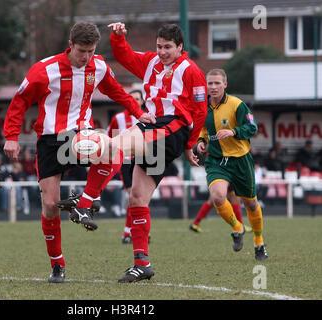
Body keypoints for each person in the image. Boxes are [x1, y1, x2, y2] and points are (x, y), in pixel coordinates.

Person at [3, 21, 155, 284]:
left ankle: (85, 203)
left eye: (91, 51)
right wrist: (11, 137)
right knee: (50, 207)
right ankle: (57, 265)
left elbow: (116, 91)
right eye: (82, 51)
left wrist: (138, 111)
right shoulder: (44, 70)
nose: (86, 57)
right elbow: (20, 101)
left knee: (111, 149)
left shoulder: (98, 66)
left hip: (80, 133)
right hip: (50, 140)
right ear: (70, 45)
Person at [58, 22, 208, 283]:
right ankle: (142, 263)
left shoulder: (191, 70)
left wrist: (189, 144)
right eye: (159, 46)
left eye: (168, 47)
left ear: (180, 47)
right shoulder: (150, 62)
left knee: (114, 146)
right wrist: (118, 37)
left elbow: (200, 110)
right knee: (137, 198)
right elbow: (124, 56)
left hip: (171, 129)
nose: (162, 52)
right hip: (153, 127)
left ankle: (85, 203)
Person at [196, 68, 268, 261]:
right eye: (209, 83)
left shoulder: (237, 104)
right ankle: (238, 228)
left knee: (250, 203)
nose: (213, 87)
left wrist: (233, 132)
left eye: (217, 83)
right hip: (216, 160)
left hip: (240, 160)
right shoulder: (202, 107)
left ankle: (259, 242)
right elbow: (202, 127)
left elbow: (252, 127)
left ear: (225, 85)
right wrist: (201, 141)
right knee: (218, 197)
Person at [107, 89, 143, 243]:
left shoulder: (147, 118)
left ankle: (135, 231)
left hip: (142, 160)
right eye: (132, 98)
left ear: (142, 101)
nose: (134, 101)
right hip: (126, 162)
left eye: (137, 99)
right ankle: (128, 232)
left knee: (139, 198)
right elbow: (110, 138)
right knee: (133, 196)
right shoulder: (119, 118)